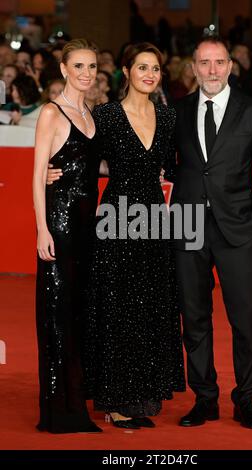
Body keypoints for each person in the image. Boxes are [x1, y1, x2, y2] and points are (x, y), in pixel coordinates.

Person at [47, 42, 185, 429]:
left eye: (155, 69)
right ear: (127, 71)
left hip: (154, 219)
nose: (149, 75)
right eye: (142, 67)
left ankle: (141, 395)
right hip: (115, 218)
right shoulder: (105, 115)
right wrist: (49, 173)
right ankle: (114, 399)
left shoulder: (167, 116)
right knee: (117, 306)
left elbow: (174, 167)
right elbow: (82, 159)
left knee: (149, 306)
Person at [171, 37, 252, 429]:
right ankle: (205, 398)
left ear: (230, 65)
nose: (212, 70)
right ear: (193, 68)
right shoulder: (178, 112)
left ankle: (246, 399)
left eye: (218, 62)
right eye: (204, 63)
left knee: (244, 321)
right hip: (187, 229)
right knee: (195, 319)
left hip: (238, 233)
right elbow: (164, 164)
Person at [32, 38, 102, 433]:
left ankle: (77, 403)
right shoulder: (50, 113)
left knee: (77, 315)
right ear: (63, 69)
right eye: (78, 66)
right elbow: (37, 174)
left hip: (87, 230)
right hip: (58, 227)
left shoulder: (91, 114)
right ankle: (58, 411)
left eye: (91, 66)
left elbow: (92, 169)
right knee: (57, 317)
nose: (86, 74)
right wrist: (42, 229)